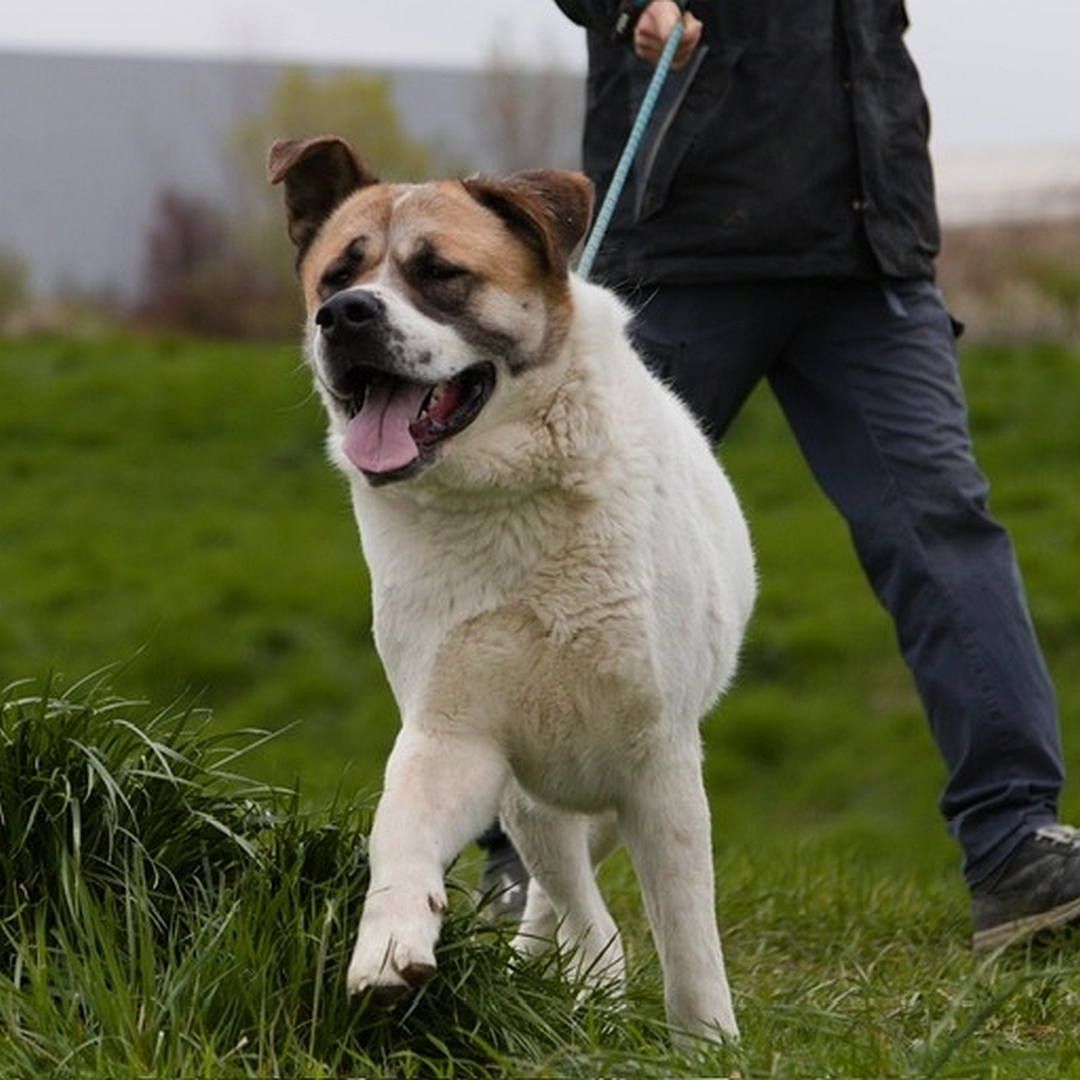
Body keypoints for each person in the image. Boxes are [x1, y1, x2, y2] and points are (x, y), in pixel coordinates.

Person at [484, 0, 1080, 952]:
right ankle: (511, 861)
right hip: (679, 244)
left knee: (943, 522)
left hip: (869, 248)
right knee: (567, 546)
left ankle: (1015, 850)